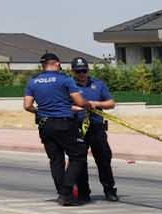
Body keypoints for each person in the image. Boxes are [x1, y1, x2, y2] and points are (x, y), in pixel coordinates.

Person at [22, 51, 89, 205]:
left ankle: (62, 194)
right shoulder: (65, 80)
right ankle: (67, 191)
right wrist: (88, 105)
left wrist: (41, 111)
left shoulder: (33, 81)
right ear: (57, 64)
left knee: (56, 160)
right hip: (64, 123)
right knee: (78, 155)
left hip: (45, 125)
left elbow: (27, 105)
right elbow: (79, 101)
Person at [70, 57, 118, 202]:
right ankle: (84, 193)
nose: (82, 74)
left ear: (88, 70)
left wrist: (96, 104)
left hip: (96, 127)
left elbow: (111, 103)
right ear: (73, 71)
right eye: (78, 71)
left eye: (84, 70)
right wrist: (79, 107)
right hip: (78, 128)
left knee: (104, 159)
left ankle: (109, 190)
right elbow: (64, 105)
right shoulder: (69, 85)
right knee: (80, 161)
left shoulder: (98, 84)